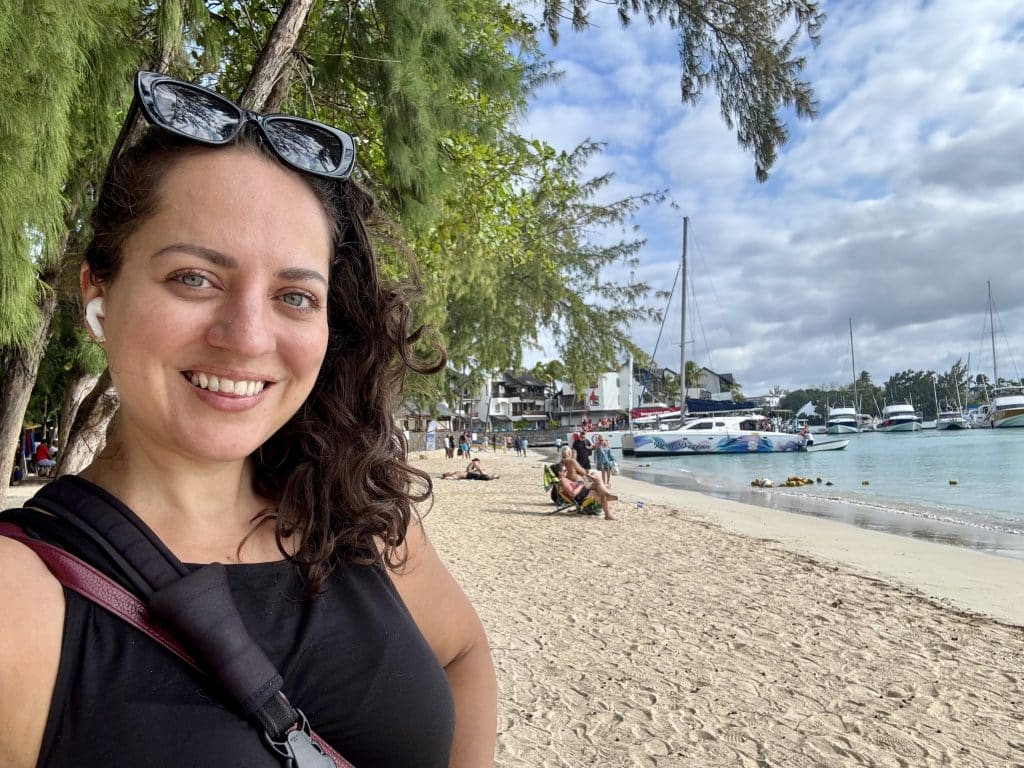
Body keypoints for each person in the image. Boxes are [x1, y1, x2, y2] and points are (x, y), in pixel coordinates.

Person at [0, 70, 495, 768]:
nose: (248, 337)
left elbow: (464, 652)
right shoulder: (21, 600)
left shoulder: (353, 515)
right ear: (98, 293)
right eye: (194, 278)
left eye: (294, 296)